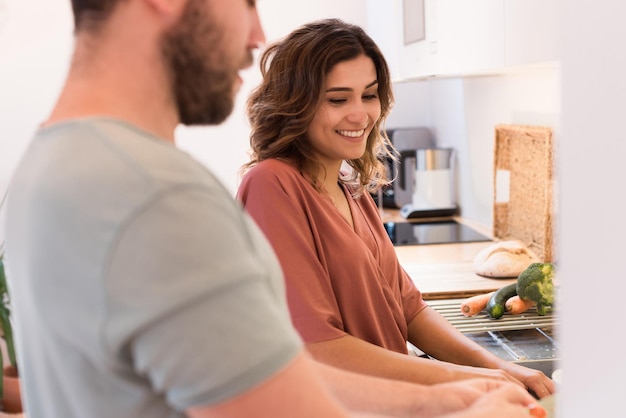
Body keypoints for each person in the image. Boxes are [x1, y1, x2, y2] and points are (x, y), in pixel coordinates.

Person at [2, 1, 544, 417]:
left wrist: (475, 381)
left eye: (369, 94)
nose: (258, 33)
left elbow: (261, 376)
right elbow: (285, 392)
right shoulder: (154, 194)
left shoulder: (52, 165)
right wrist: (457, 395)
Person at [238, 18, 556, 401]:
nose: (360, 115)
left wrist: (500, 368)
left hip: (394, 401)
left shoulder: (350, 188)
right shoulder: (272, 185)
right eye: (338, 99)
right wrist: (460, 379)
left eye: (368, 95)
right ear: (296, 105)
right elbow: (315, 347)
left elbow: (409, 310)